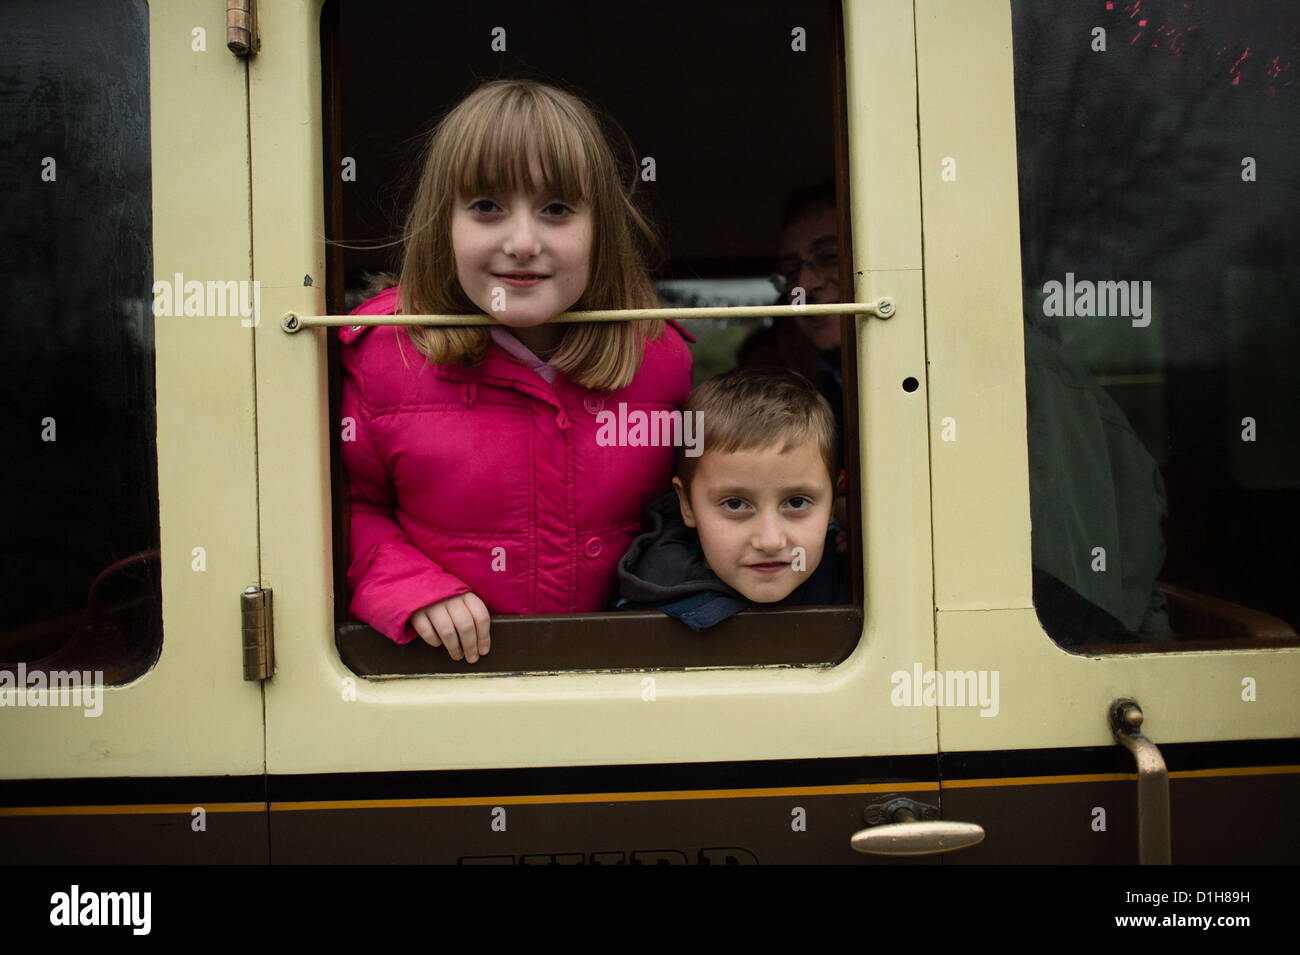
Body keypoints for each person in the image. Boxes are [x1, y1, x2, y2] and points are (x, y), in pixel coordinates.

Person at [340, 79, 694, 662]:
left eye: (557, 209)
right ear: (442, 224)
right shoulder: (383, 355)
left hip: (626, 681)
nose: (523, 242)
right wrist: (411, 586)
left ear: (601, 227)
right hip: (444, 685)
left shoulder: (660, 357)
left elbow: (694, 508)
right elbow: (350, 509)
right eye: (486, 207)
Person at [615, 368, 849, 629]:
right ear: (687, 505)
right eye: (735, 504)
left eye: (796, 502)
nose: (769, 541)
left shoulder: (863, 579)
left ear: (832, 503)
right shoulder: (646, 611)